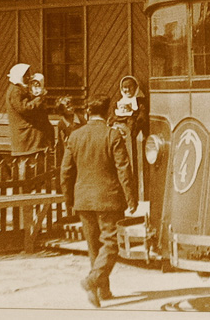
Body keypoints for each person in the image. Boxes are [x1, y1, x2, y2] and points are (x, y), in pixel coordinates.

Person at [61, 97, 138, 307]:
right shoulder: (112, 134)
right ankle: (92, 281)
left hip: (83, 200)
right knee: (111, 244)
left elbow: (65, 171)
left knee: (94, 247)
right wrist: (131, 198)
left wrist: (68, 199)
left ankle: (102, 291)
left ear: (88, 112)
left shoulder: (75, 136)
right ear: (107, 114)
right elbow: (124, 168)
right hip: (109, 199)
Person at [5, 63, 53, 180]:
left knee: (32, 166)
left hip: (30, 137)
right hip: (26, 136)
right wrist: (39, 98)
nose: (28, 77)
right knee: (28, 167)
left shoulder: (19, 89)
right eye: (25, 75)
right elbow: (25, 108)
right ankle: (26, 190)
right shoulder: (16, 91)